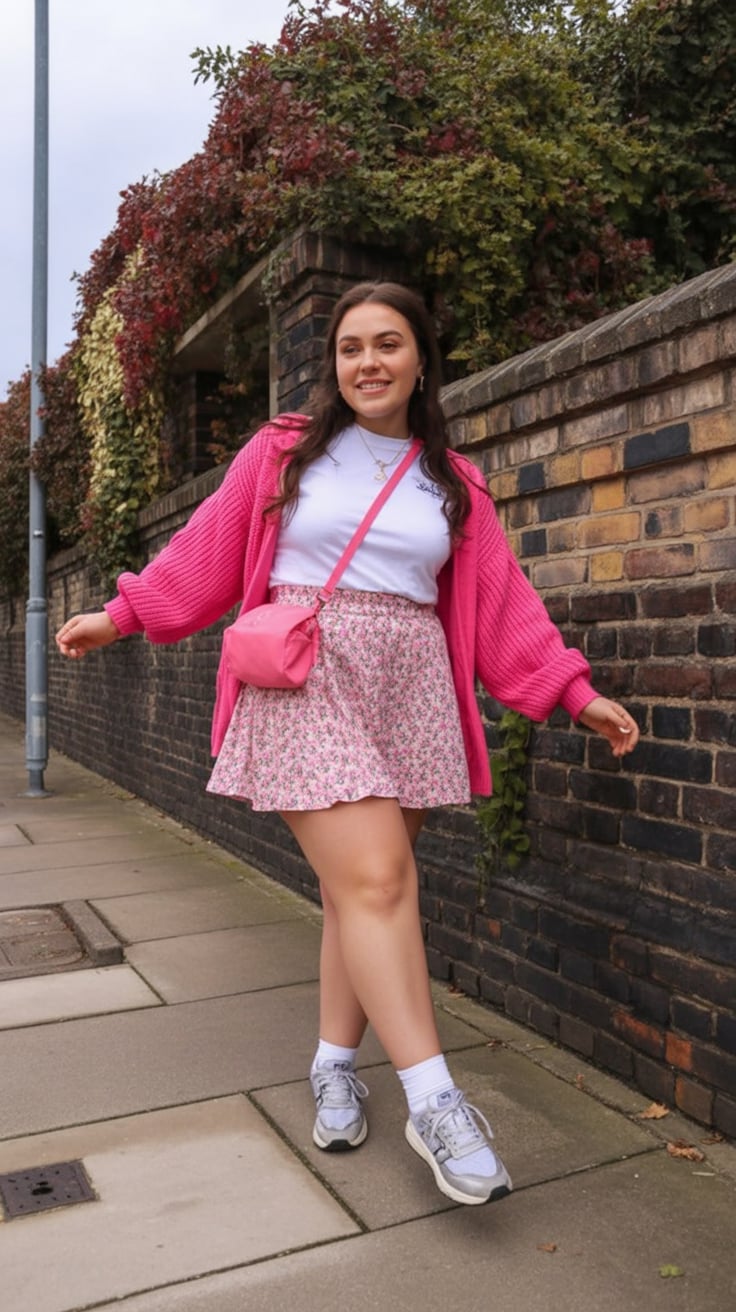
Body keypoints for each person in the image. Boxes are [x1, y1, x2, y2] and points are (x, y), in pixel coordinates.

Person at [56, 281, 639, 1207]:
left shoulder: (456, 484)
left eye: (388, 344)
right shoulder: (284, 452)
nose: (368, 362)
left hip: (410, 689)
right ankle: (435, 1102)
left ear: (421, 360)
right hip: (305, 672)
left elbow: (502, 607)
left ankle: (334, 1066)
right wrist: (121, 615)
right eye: (351, 347)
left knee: (357, 895)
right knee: (377, 882)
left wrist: (575, 692)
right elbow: (207, 551)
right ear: (333, 364)